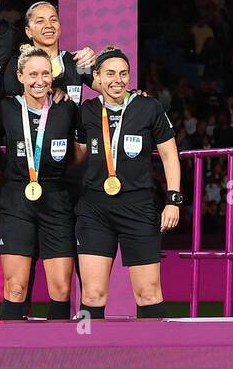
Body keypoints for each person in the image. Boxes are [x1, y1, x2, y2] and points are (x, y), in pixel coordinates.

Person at [73, 48, 182, 319]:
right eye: (110, 73)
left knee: (148, 293)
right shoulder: (86, 111)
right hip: (95, 210)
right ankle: (90, 356)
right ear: (96, 77)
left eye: (123, 74)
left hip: (138, 207)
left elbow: (170, 155)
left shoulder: (148, 107)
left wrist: (173, 200)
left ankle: (157, 358)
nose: (117, 80)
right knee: (92, 295)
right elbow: (76, 157)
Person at [0, 47, 77, 320]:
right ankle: (8, 355)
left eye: (45, 74)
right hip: (16, 200)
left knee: (61, 288)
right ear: (20, 76)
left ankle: (61, 357)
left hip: (56, 200)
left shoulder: (66, 108)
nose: (39, 80)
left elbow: (79, 153)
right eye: (32, 74)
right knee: (16, 287)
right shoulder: (5, 107)